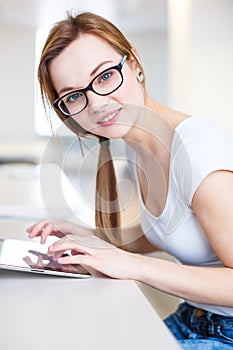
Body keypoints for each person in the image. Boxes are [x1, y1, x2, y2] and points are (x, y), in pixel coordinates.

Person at [27, 12, 233, 349]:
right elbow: (168, 233)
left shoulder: (197, 150)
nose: (96, 103)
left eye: (105, 76)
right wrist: (89, 239)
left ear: (134, 63)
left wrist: (132, 266)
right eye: (75, 96)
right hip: (196, 318)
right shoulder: (137, 149)